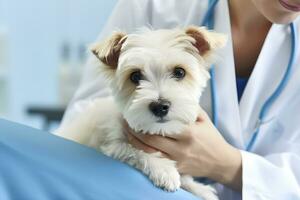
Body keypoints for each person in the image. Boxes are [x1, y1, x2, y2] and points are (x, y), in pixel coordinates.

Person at [58, 0, 300, 199]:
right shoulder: (152, 6)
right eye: (137, 77)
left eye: (178, 73)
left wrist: (228, 165)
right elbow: (82, 127)